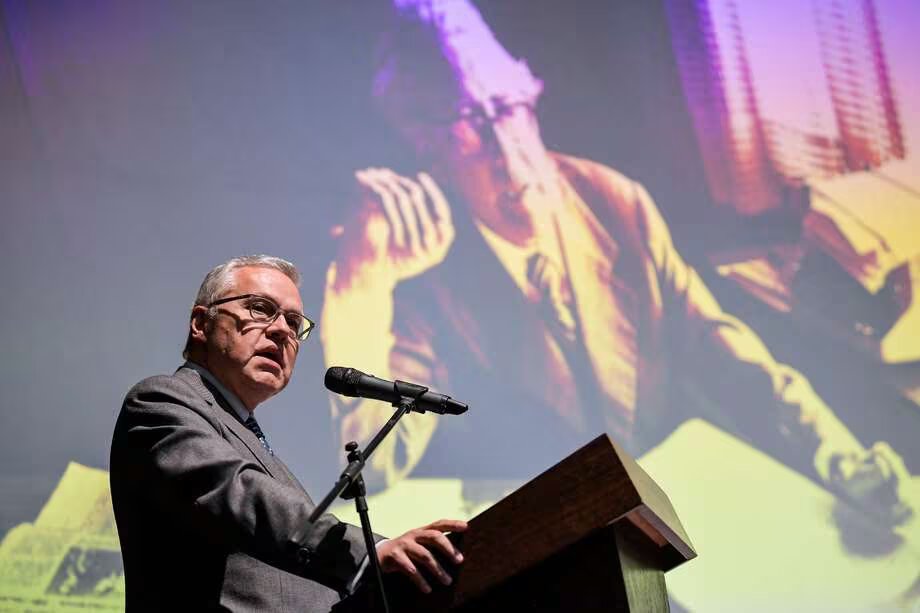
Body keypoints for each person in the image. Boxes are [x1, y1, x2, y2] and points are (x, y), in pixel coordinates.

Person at [320, 0, 915, 522]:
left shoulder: (613, 202)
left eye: (507, 106)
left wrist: (836, 455)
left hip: (671, 504)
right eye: (468, 123)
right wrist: (358, 287)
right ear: (422, 141)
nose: (511, 150)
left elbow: (725, 351)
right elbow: (373, 468)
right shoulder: (420, 271)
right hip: (549, 536)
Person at [110, 255, 466, 612]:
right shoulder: (160, 401)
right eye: (261, 309)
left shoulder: (252, 441)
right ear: (201, 323)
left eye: (294, 322)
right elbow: (238, 493)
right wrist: (368, 553)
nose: (282, 330)